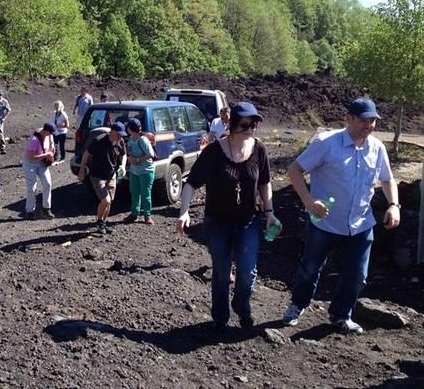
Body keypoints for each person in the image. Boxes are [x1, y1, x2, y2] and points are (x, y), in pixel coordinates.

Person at [281, 97, 400, 335]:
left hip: (360, 223)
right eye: (364, 120)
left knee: (357, 274)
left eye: (373, 121)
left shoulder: (377, 148)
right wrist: (308, 201)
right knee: (311, 267)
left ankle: (340, 314)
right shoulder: (326, 143)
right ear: (349, 118)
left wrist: (394, 204)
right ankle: (298, 304)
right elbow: (294, 170)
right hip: (325, 221)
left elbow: (387, 179)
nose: (369, 125)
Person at [175, 102, 278, 332]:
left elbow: (265, 183)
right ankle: (220, 318)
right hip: (217, 222)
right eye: (245, 124)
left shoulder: (259, 150)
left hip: (248, 222)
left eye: (254, 124)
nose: (250, 129)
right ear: (232, 125)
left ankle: (242, 306)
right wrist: (184, 212)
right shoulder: (214, 152)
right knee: (221, 273)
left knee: (247, 272)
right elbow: (191, 183)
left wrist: (270, 212)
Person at [77, 122, 127, 235]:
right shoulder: (99, 140)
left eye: (121, 135)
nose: (120, 137)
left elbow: (123, 154)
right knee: (106, 200)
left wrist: (123, 166)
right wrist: (81, 170)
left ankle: (103, 223)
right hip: (97, 175)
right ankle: (99, 221)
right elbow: (86, 154)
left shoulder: (120, 141)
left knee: (109, 202)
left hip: (111, 175)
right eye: (118, 134)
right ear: (112, 131)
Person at [124, 118, 156, 225]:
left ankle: (147, 216)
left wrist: (137, 160)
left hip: (146, 171)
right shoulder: (130, 139)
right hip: (134, 170)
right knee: (134, 192)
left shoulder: (143, 140)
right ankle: (134, 213)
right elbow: (129, 151)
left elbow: (150, 154)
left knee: (145, 193)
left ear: (131, 129)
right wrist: (130, 158)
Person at [23, 123, 57, 220]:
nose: (52, 135)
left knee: (48, 183)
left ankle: (46, 208)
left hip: (42, 163)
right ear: (46, 131)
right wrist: (46, 155)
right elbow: (31, 157)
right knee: (32, 187)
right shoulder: (34, 139)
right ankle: (29, 211)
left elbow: (51, 144)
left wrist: (52, 149)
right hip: (30, 164)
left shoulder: (49, 135)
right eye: (50, 133)